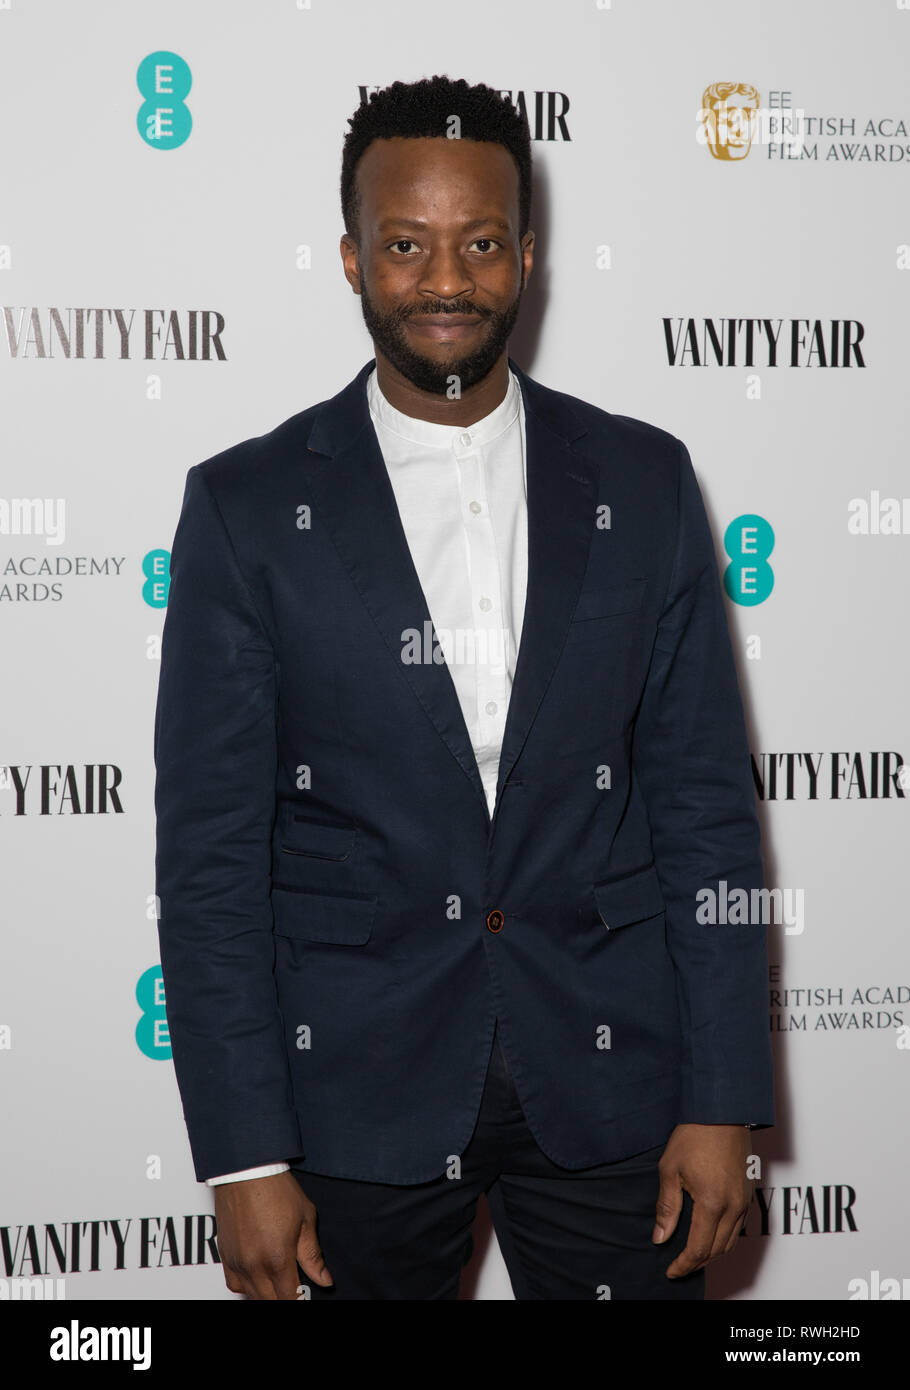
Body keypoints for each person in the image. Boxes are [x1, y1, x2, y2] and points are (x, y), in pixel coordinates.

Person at [154, 74, 774, 1301]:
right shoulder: (245, 508)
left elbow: (705, 809)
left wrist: (723, 1099)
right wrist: (245, 1153)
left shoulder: (644, 482)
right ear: (349, 259)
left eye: (480, 243)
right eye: (405, 245)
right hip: (349, 1098)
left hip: (614, 1091)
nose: (446, 281)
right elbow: (213, 855)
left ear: (528, 256)